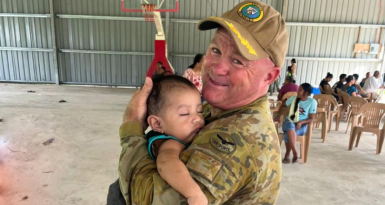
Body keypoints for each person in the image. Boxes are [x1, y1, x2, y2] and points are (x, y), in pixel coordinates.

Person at [108, 1, 288, 205]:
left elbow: (145, 199)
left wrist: (131, 128)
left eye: (238, 61)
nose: (217, 68)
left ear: (269, 77)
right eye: (216, 50)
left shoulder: (235, 139)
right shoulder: (220, 107)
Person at [146, 75, 207, 205]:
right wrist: (193, 193)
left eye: (200, 111)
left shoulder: (178, 133)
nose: (197, 118)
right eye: (185, 113)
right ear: (157, 124)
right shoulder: (169, 143)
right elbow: (166, 163)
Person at [282, 83, 317, 164]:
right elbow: (283, 105)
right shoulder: (293, 98)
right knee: (290, 125)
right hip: (289, 121)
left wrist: (301, 122)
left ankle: (287, 154)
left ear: (306, 93)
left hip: (301, 125)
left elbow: (311, 118)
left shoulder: (312, 102)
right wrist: (278, 114)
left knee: (289, 133)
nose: (297, 91)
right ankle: (295, 152)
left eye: (300, 90)